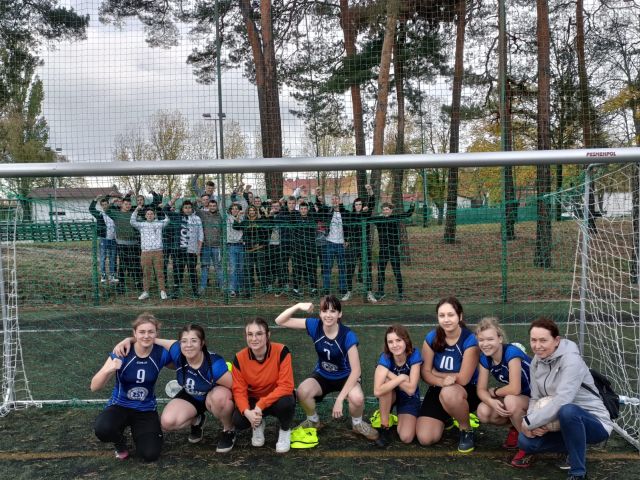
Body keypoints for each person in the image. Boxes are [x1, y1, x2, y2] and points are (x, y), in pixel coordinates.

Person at [113, 324, 236, 453]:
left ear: (202, 343)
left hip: (213, 395)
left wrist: (242, 410)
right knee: (167, 422)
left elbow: (236, 387)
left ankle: (229, 430)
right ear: (179, 343)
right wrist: (128, 340)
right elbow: (149, 339)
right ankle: (197, 420)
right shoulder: (176, 350)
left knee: (219, 398)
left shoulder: (214, 365)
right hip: (192, 395)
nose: (188, 345)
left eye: (194, 341)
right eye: (184, 341)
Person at [516, 317, 613, 480]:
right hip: (561, 421)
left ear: (556, 340)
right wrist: (533, 421)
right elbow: (535, 397)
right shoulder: (536, 362)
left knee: (568, 411)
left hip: (594, 422)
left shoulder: (572, 360)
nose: (537, 346)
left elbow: (563, 400)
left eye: (543, 340)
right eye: (533, 340)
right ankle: (571, 447)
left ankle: (578, 472)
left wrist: (529, 421)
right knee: (526, 442)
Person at [274, 297, 379, 441]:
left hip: (346, 376)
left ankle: (357, 424)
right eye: (324, 311)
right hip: (323, 374)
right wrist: (298, 305)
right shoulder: (315, 326)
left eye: (333, 311)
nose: (328, 315)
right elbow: (279, 321)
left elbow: (356, 371)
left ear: (339, 314)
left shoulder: (348, 336)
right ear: (320, 313)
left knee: (357, 398)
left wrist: (339, 399)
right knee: (302, 391)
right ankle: (313, 421)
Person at [91, 313, 171, 462]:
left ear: (156, 333)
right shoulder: (122, 352)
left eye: (151, 332)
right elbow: (94, 386)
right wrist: (109, 370)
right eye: (141, 332)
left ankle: (141, 433)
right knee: (103, 429)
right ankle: (120, 443)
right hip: (120, 405)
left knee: (150, 454)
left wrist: (132, 339)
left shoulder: (161, 353)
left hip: (145, 409)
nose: (146, 336)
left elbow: (182, 347)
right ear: (134, 332)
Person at [416, 296, 480, 453]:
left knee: (449, 393)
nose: (446, 319)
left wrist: (436, 373)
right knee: (425, 438)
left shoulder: (470, 340)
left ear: (460, 316)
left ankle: (465, 429)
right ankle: (448, 416)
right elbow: (425, 373)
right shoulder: (432, 337)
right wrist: (441, 381)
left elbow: (463, 378)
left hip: (466, 390)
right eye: (442, 315)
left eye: (451, 315)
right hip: (439, 387)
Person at [231, 317, 295, 453]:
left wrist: (261, 405)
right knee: (238, 420)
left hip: (276, 399)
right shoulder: (239, 358)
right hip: (255, 401)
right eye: (250, 334)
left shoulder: (281, 351)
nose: (254, 338)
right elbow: (239, 391)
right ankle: (257, 424)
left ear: (268, 335)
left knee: (287, 402)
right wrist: (247, 412)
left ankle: (285, 431)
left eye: (259, 334)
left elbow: (286, 386)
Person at [475, 317, 531, 465]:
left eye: (490, 339)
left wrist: (495, 392)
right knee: (484, 411)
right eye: (481, 340)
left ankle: (529, 446)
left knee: (510, 400)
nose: (485, 344)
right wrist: (491, 402)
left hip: (538, 398)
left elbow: (515, 388)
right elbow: (480, 390)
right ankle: (516, 427)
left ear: (500, 338)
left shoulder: (511, 352)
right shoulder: (485, 358)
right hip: (521, 399)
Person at [373, 324, 422, 447]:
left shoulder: (414, 355)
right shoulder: (385, 357)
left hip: (408, 398)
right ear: (387, 344)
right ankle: (385, 427)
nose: (394, 345)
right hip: (390, 395)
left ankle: (401, 417)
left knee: (406, 437)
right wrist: (401, 377)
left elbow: (411, 389)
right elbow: (377, 391)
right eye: (390, 342)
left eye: (398, 340)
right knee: (385, 385)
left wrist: (389, 374)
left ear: (406, 340)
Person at [370, 202, 415, 301]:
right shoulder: (379, 219)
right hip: (383, 250)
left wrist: (412, 204)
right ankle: (381, 292)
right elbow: (368, 218)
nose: (385, 211)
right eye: (383, 209)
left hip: (393, 249)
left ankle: (400, 293)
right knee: (380, 271)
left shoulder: (395, 218)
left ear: (391, 210)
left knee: (397, 271)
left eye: (387, 209)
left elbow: (408, 214)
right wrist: (367, 210)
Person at [343, 185, 376, 302]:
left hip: (364, 245)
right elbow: (346, 228)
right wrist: (346, 239)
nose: (358, 206)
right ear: (354, 206)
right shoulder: (350, 215)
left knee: (367, 268)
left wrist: (370, 191)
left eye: (360, 204)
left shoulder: (365, 214)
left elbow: (372, 203)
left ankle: (369, 292)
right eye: (356, 204)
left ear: (362, 206)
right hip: (353, 245)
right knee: (350, 268)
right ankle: (349, 291)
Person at [130, 206, 170, 300]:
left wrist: (164, 209)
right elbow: (132, 222)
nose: (150, 215)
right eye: (148, 214)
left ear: (154, 215)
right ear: (145, 216)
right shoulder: (142, 225)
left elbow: (167, 220)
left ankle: (162, 291)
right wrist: (136, 210)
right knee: (146, 273)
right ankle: (146, 292)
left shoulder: (159, 224)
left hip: (158, 251)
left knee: (160, 272)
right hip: (146, 252)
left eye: (151, 214)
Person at [196, 199, 224, 295]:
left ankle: (222, 287)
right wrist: (197, 201)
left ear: (216, 207)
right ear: (208, 207)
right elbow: (194, 208)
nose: (212, 207)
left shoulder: (220, 217)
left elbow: (223, 231)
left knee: (218, 267)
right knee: (205, 267)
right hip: (206, 246)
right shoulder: (203, 214)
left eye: (214, 206)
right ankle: (202, 287)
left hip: (217, 246)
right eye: (210, 206)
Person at [89, 195, 118, 283]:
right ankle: (103, 275)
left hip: (113, 239)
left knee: (113, 258)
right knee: (103, 258)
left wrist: (113, 201)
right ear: (101, 206)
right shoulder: (99, 214)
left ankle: (112, 275)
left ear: (108, 204)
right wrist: (95, 199)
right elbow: (91, 209)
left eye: (106, 204)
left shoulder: (113, 213)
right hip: (104, 239)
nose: (105, 206)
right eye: (103, 205)